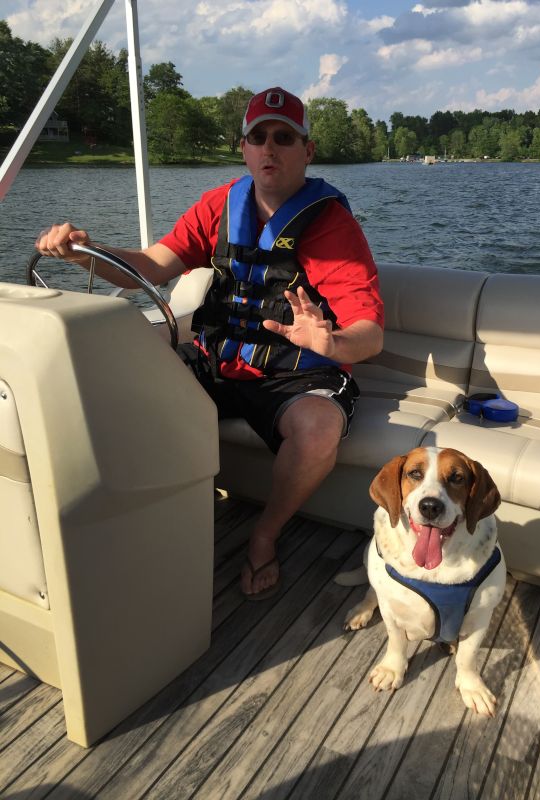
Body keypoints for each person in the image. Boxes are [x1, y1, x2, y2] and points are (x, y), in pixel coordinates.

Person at [35, 87, 384, 599]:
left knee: (316, 432)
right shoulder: (220, 205)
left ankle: (264, 535)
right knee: (107, 367)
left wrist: (331, 343)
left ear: (307, 151)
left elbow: (370, 333)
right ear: (243, 148)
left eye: (284, 138)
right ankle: (129, 509)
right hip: (214, 356)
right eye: (258, 136)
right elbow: (152, 266)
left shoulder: (332, 225)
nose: (270, 148)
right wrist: (86, 253)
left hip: (298, 369)